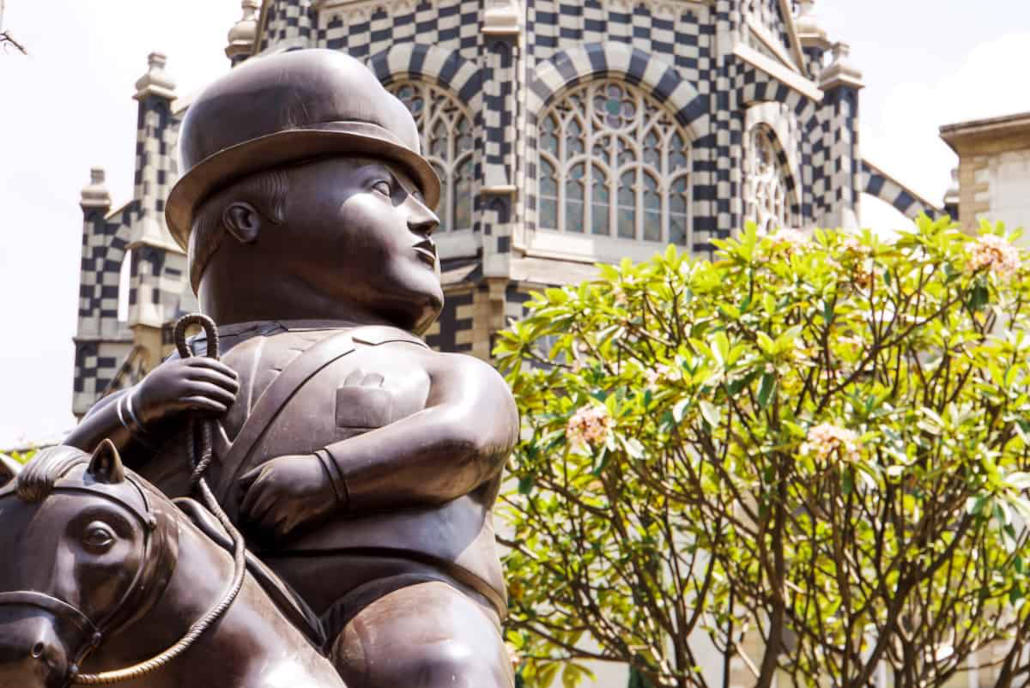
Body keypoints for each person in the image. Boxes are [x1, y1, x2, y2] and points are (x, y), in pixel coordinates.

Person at [66, 49, 519, 688]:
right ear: (244, 221)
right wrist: (135, 410)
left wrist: (330, 476)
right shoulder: (175, 378)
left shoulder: (438, 369)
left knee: (441, 664)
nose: (427, 217)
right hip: (199, 619)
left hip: (396, 592)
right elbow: (59, 483)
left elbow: (468, 436)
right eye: (386, 192)